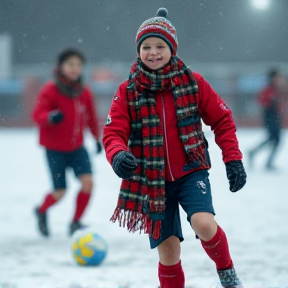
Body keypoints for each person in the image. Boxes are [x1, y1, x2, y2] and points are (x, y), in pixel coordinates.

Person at [103, 8, 247, 288]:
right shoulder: (128, 91)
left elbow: (222, 119)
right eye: (146, 47)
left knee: (204, 224)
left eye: (160, 46)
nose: (153, 52)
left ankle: (227, 272)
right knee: (168, 251)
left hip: (191, 171)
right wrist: (118, 154)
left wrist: (233, 159)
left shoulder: (193, 82)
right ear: (138, 51)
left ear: (172, 49)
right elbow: (113, 132)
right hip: (151, 181)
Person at [33, 49, 102, 237]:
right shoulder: (50, 89)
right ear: (60, 67)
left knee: (88, 182)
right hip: (55, 150)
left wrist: (96, 139)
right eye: (70, 64)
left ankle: (75, 222)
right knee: (60, 192)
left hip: (77, 148)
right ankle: (41, 210)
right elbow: (37, 115)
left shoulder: (84, 91)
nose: (75, 69)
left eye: (78, 65)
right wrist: (50, 116)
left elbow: (91, 117)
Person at [248, 69, 286, 170]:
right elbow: (262, 100)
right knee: (274, 138)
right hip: (270, 115)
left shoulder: (276, 89)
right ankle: (265, 160)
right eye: (278, 77)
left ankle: (256, 154)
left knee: (274, 139)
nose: (281, 79)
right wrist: (271, 103)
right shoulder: (269, 89)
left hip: (275, 116)